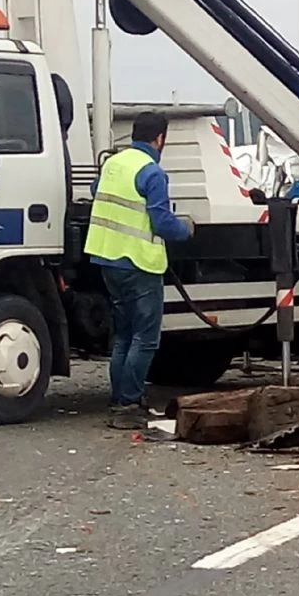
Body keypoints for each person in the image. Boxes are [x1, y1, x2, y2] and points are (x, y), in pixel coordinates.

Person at [85, 111, 194, 429]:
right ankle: (129, 404)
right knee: (145, 338)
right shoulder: (152, 172)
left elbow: (97, 193)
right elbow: (161, 222)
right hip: (138, 262)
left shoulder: (113, 164)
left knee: (123, 336)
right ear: (160, 139)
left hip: (107, 258)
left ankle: (120, 399)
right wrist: (186, 229)